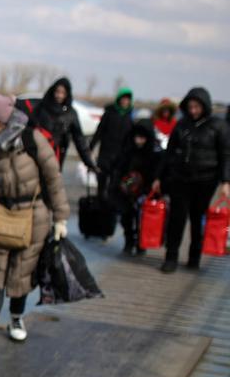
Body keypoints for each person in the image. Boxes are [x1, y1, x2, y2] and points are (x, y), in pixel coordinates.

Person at [0, 94, 68, 353]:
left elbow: (54, 180)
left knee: (22, 270)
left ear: (0, 120)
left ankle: (16, 317)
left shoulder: (31, 140)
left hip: (33, 214)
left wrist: (60, 218)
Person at [152, 87, 230, 272]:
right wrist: (158, 177)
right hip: (180, 178)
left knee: (198, 218)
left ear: (205, 106)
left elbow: (226, 155)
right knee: (177, 219)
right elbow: (169, 153)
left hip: (206, 180)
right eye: (190, 107)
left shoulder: (218, 126)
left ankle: (194, 258)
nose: (193, 110)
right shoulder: (181, 125)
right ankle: (171, 257)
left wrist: (226, 181)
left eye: (197, 107)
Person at [110, 120, 162, 255]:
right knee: (126, 217)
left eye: (142, 138)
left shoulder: (155, 153)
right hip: (126, 191)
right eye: (137, 137)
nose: (139, 141)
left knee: (142, 219)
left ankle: (140, 242)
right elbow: (118, 168)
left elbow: (157, 173)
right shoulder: (127, 150)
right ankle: (129, 240)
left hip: (144, 191)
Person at [29, 77, 99, 174]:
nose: (59, 96)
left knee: (52, 185)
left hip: (57, 158)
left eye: (63, 93)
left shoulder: (70, 113)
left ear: (67, 94)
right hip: (37, 156)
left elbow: (79, 140)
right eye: (58, 92)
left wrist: (89, 163)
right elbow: (29, 129)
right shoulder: (41, 108)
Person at [90, 87, 134, 197]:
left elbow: (131, 139)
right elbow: (99, 131)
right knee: (102, 181)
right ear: (119, 99)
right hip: (106, 153)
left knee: (114, 184)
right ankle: (100, 204)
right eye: (123, 99)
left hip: (120, 156)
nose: (125, 102)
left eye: (127, 99)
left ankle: (110, 206)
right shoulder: (109, 113)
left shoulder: (129, 117)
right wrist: (90, 148)